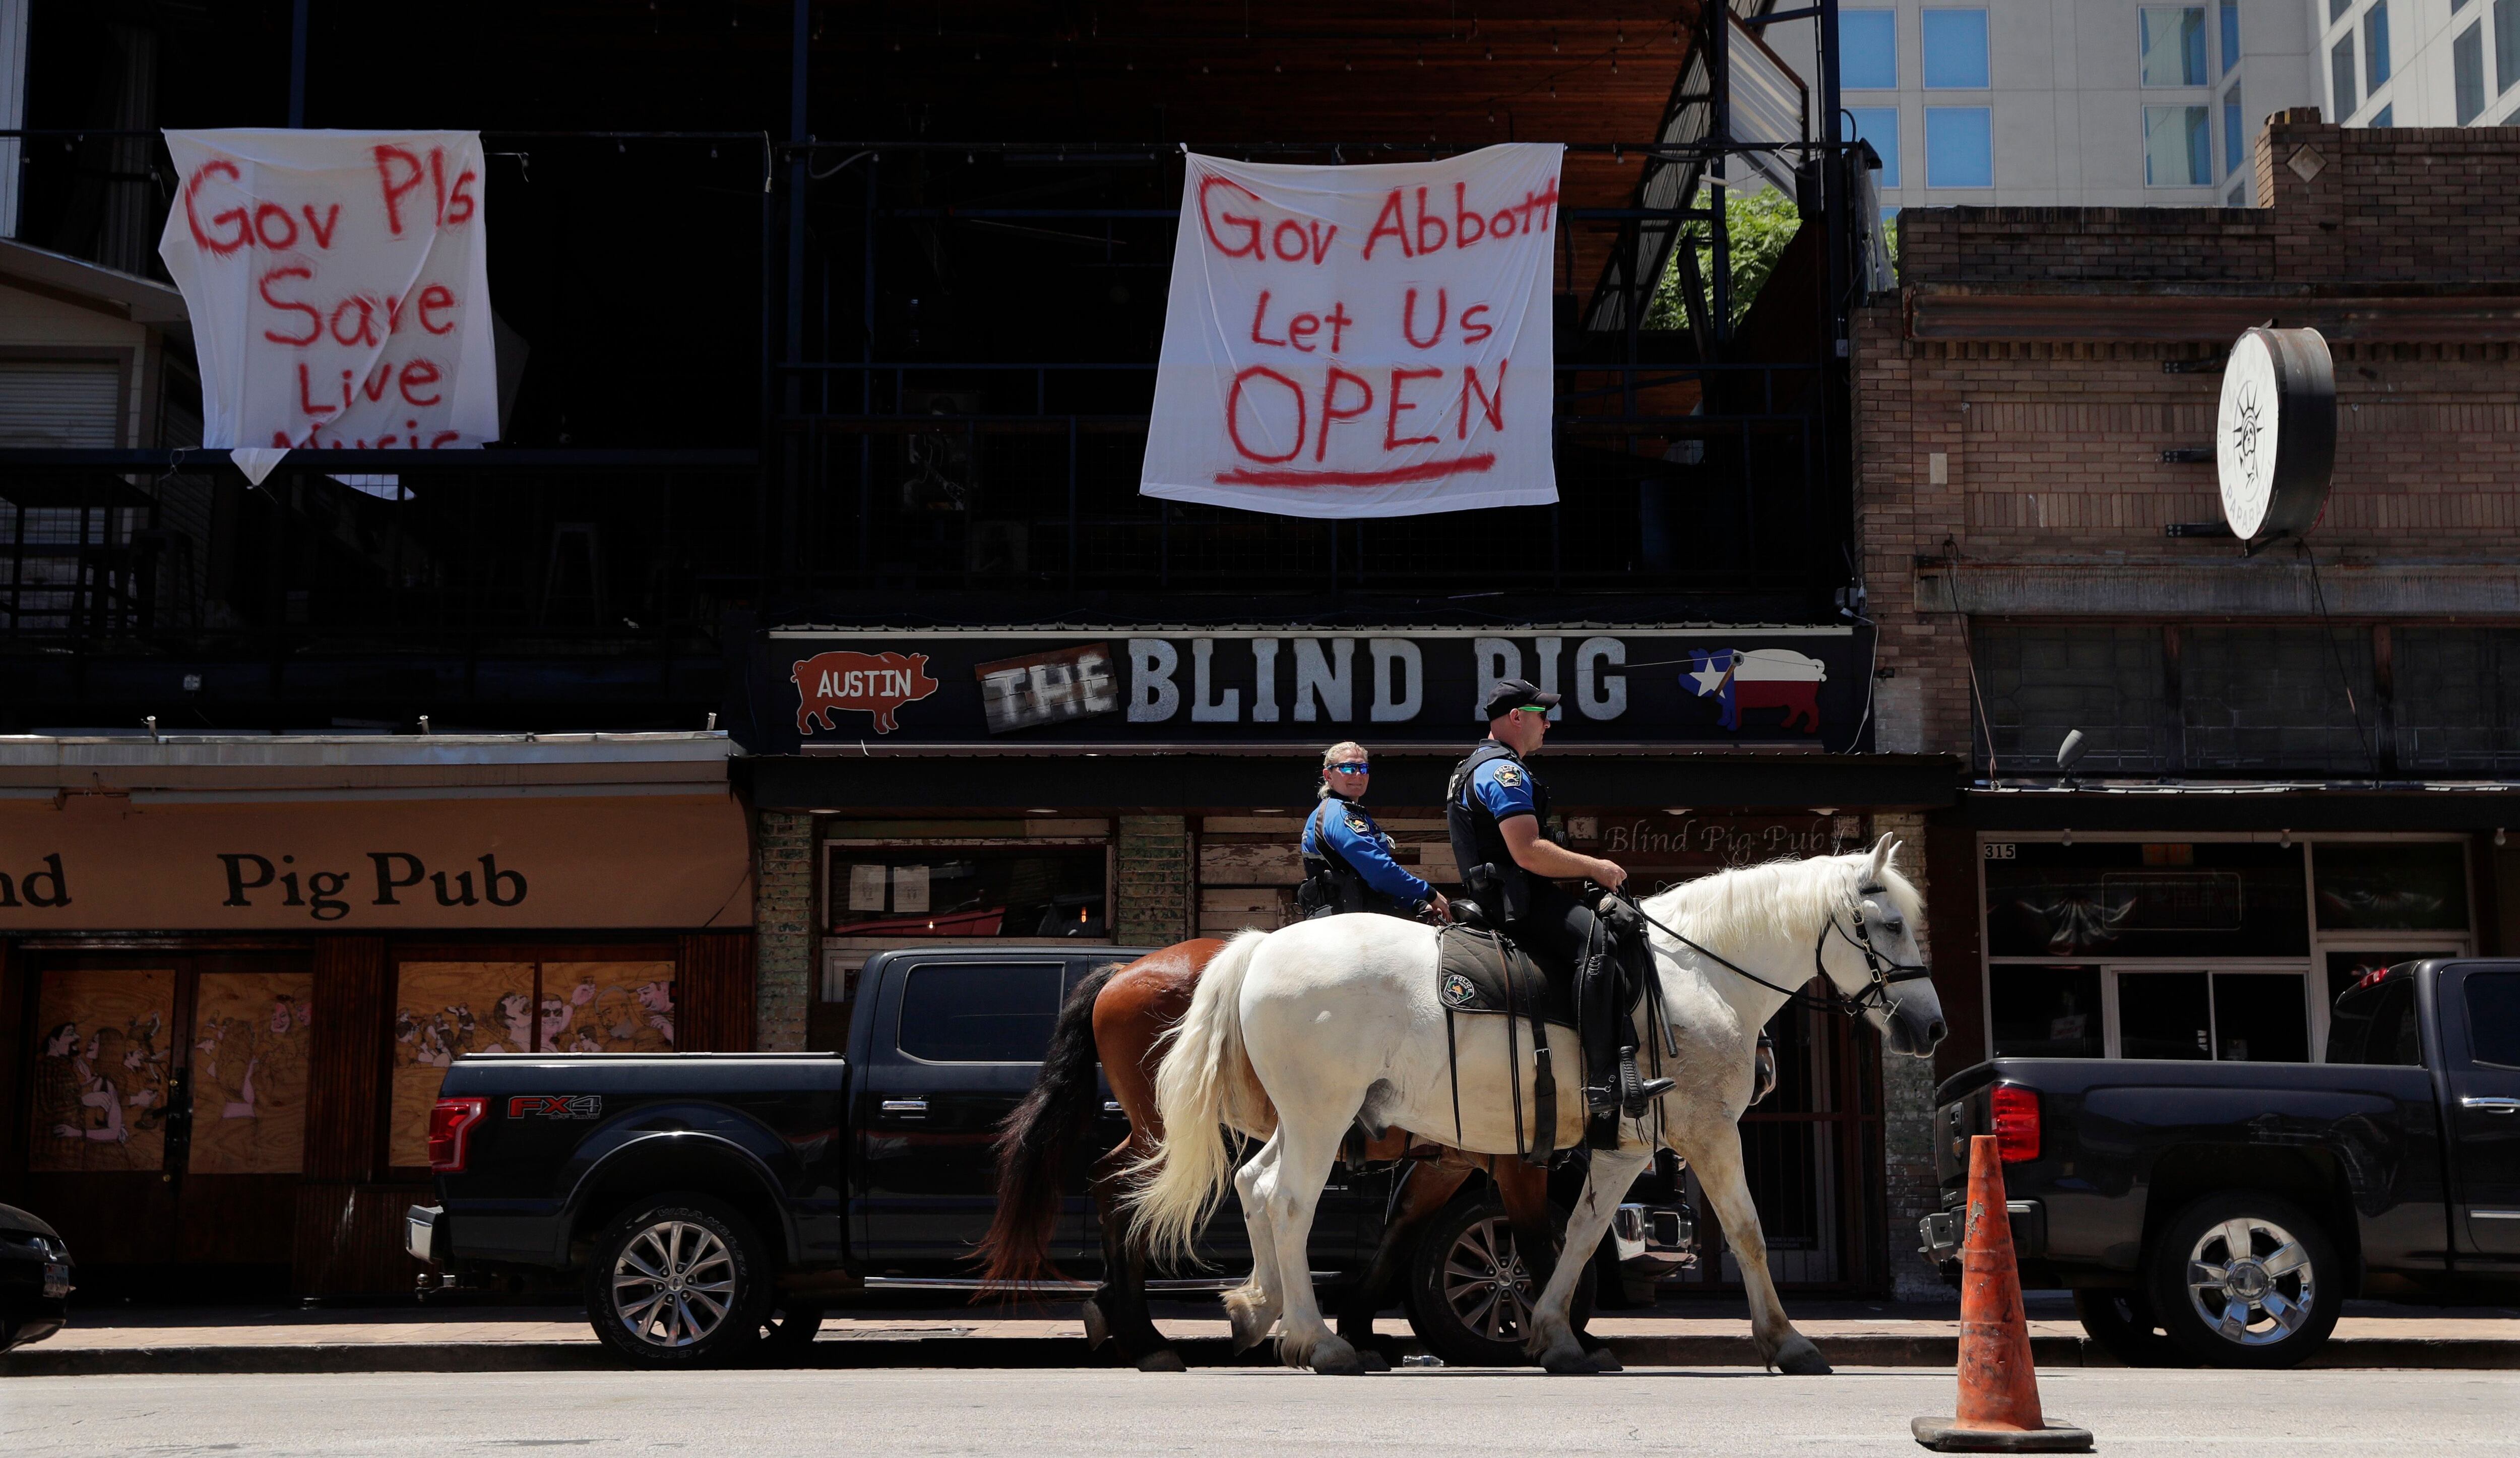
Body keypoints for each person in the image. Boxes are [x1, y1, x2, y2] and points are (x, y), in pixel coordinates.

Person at [1446, 679, 1673, 1150]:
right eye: (1541, 715)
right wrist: (1596, 866)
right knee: (1599, 940)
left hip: (1504, 895)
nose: (1547, 724)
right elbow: (1527, 851)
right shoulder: (1502, 772)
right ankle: (1604, 1079)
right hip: (1515, 903)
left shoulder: (1476, 766)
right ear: (1515, 718)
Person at [1299, 741, 1450, 923]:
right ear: (1328, 775)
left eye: (1363, 768)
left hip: (1350, 920)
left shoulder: (1345, 811)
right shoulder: (1339, 814)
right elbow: (1379, 871)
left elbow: (1367, 881)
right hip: (1347, 925)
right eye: (1348, 768)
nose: (1358, 774)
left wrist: (1416, 904)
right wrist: (1429, 894)